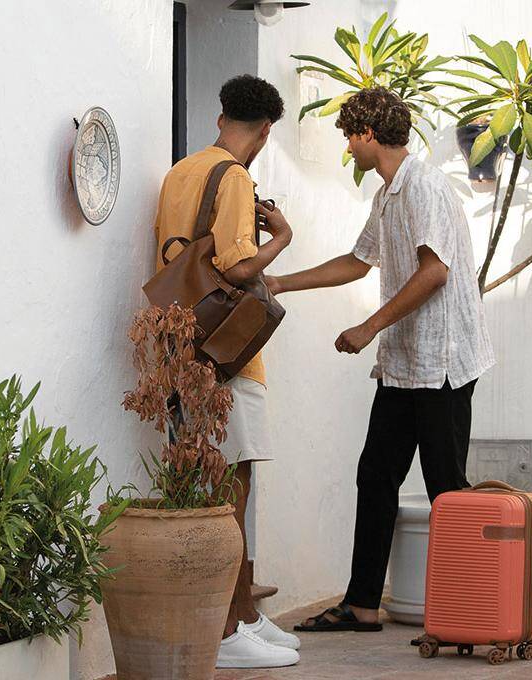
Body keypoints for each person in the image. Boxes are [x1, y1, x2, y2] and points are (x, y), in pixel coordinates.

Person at [261, 87, 495, 633]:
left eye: (349, 135)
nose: (347, 146)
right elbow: (358, 261)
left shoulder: (425, 188)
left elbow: (435, 272)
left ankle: (468, 611)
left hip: (442, 363)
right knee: (376, 474)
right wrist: (281, 283)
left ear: (368, 134)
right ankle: (363, 603)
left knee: (446, 490)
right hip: (405, 364)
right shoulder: (389, 193)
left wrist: (369, 327)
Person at [152, 74, 301, 668]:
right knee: (229, 490)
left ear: (221, 117)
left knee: (212, 486)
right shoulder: (235, 177)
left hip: (180, 341)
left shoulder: (180, 171)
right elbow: (238, 268)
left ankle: (240, 614)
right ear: (265, 131)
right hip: (228, 352)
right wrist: (282, 237)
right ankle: (221, 631)